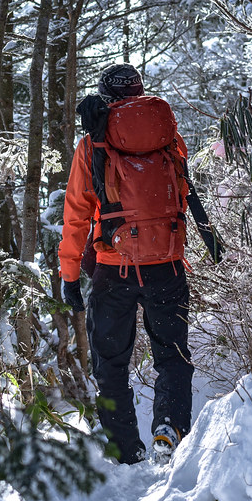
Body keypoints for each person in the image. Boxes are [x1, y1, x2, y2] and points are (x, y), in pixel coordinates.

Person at [58, 64, 193, 464]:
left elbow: (77, 214)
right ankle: (169, 427)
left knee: (110, 362)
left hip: (113, 268)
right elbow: (181, 193)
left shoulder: (92, 144)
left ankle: (125, 448)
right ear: (140, 91)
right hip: (167, 264)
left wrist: (68, 275)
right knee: (172, 353)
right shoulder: (170, 138)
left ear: (106, 95)